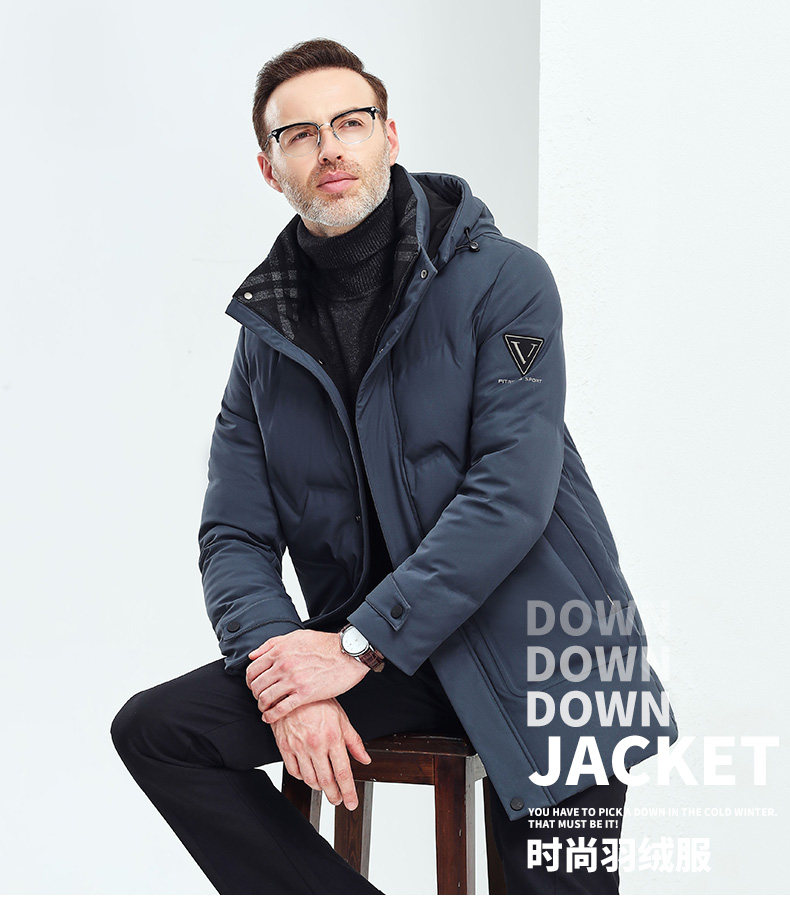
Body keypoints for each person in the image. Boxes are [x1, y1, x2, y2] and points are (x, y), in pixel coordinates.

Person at [111, 37, 678, 895]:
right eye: (299, 135)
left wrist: (357, 644)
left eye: (351, 122)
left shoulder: (507, 280)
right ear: (270, 168)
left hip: (546, 648)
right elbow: (233, 533)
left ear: (390, 135)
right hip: (388, 657)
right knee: (160, 732)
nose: (329, 148)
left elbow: (510, 493)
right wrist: (288, 674)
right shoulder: (266, 337)